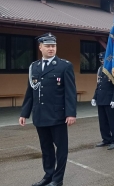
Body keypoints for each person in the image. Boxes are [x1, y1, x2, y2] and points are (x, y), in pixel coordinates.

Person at [19, 33, 76, 186]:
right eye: (48, 46)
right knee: (46, 148)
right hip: (40, 115)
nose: (51, 49)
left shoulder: (64, 65)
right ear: (40, 47)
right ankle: (48, 175)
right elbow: (30, 91)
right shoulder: (34, 67)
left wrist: (70, 113)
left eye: (53, 46)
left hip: (58, 115)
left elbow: (70, 92)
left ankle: (58, 179)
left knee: (61, 149)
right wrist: (25, 112)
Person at [92, 52, 114, 150]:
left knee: (112, 121)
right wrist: (94, 97)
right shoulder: (100, 69)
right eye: (101, 59)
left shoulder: (113, 70)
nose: (102, 61)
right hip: (101, 99)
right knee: (103, 121)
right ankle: (106, 139)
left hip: (110, 100)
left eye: (104, 59)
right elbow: (99, 85)